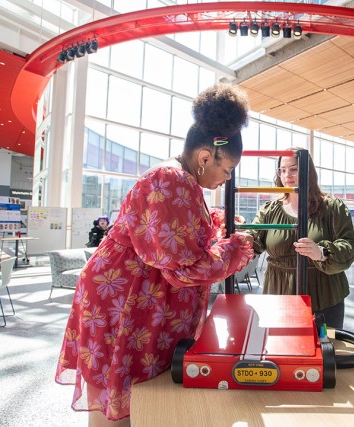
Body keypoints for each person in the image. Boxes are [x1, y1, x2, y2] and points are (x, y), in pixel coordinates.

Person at [55, 83, 255, 426]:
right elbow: (183, 269)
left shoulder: (182, 180)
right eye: (227, 169)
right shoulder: (171, 180)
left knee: (128, 399)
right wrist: (237, 248)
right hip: (125, 302)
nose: (227, 178)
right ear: (205, 158)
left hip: (136, 300)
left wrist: (219, 230)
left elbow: (181, 244)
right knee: (120, 403)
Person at [249, 148, 354, 329]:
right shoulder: (269, 210)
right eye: (282, 170)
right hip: (278, 297)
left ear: (308, 171)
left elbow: (349, 247)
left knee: (323, 353)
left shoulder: (332, 208)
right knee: (281, 351)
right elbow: (253, 240)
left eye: (293, 169)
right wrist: (240, 238)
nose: (287, 175)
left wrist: (321, 252)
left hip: (323, 297)